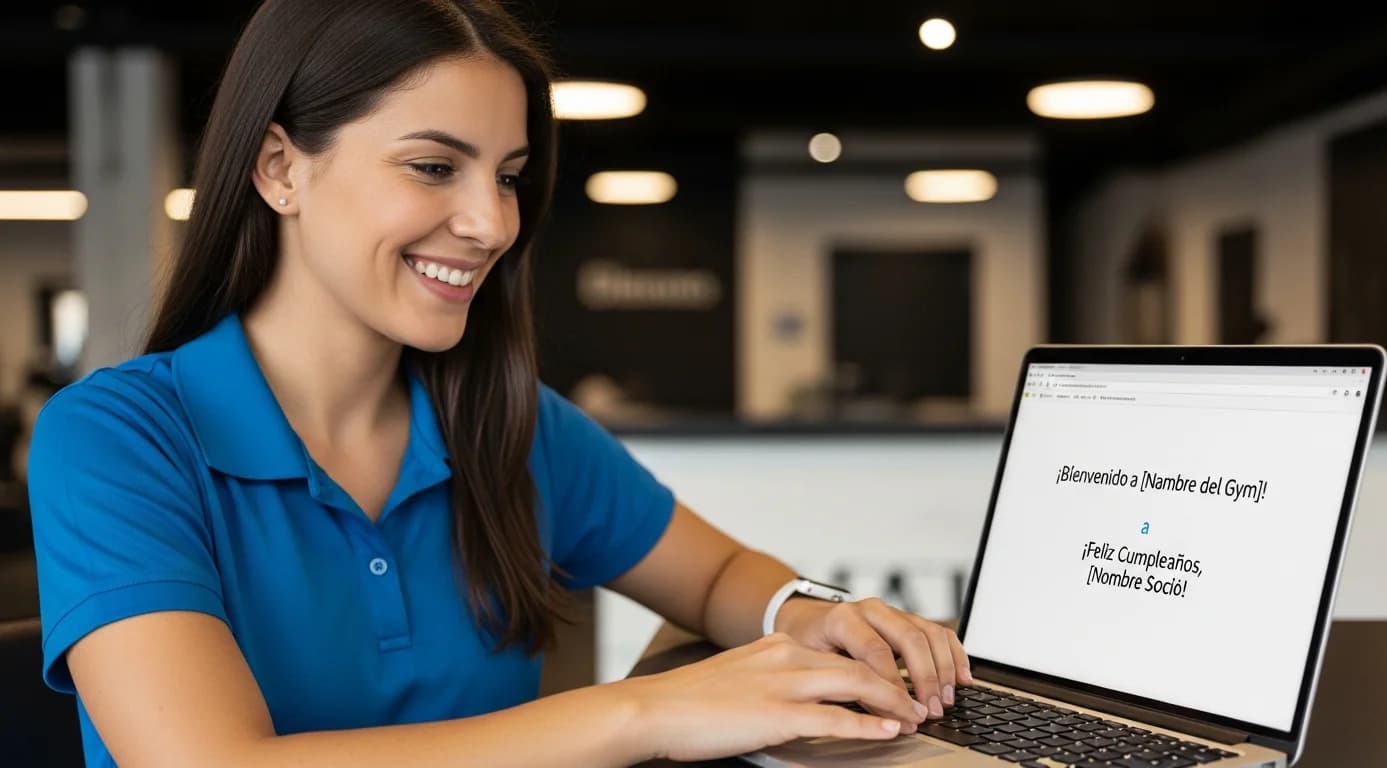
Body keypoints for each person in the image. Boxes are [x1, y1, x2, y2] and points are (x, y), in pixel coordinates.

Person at [26, 1, 970, 765]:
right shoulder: (117, 439)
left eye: (509, 176)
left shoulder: (506, 426)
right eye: (434, 166)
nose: (490, 223)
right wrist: (647, 715)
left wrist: (813, 616)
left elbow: (719, 572)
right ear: (281, 168)